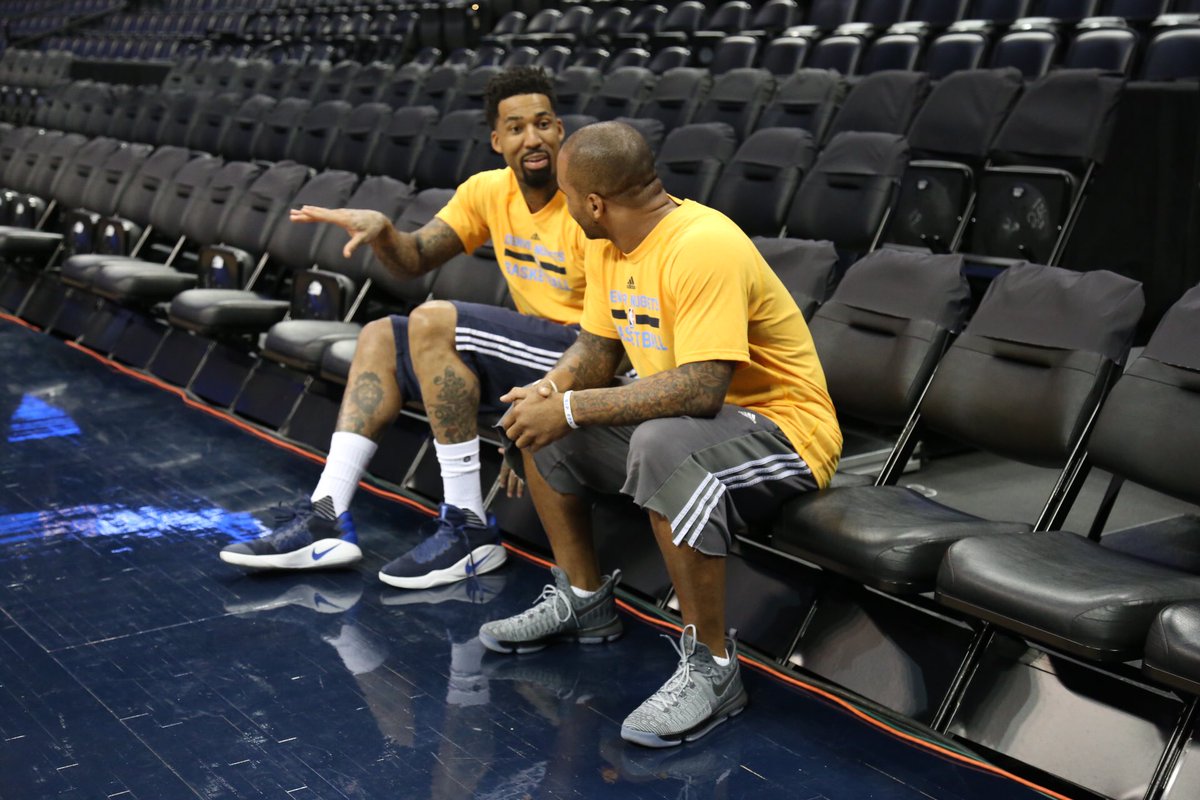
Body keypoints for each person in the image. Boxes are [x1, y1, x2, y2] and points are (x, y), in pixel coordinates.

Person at [480, 121, 842, 748]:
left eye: (567, 195)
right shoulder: (608, 242)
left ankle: (714, 667)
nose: (562, 205)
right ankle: (584, 599)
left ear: (594, 202)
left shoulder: (702, 245)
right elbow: (595, 351)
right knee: (550, 424)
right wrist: (544, 399)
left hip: (785, 430)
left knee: (656, 443)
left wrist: (570, 407)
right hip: (694, 425)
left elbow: (702, 388)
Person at [219, 67, 588, 590]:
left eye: (543, 124)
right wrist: (385, 232)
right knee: (378, 336)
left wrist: (541, 405)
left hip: (582, 356)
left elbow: (613, 332)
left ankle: (468, 526)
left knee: (431, 321)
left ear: (561, 130)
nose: (532, 139)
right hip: (524, 345)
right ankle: (326, 514)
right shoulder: (488, 191)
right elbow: (415, 258)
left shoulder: (586, 198)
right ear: (496, 140)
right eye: (516, 127)